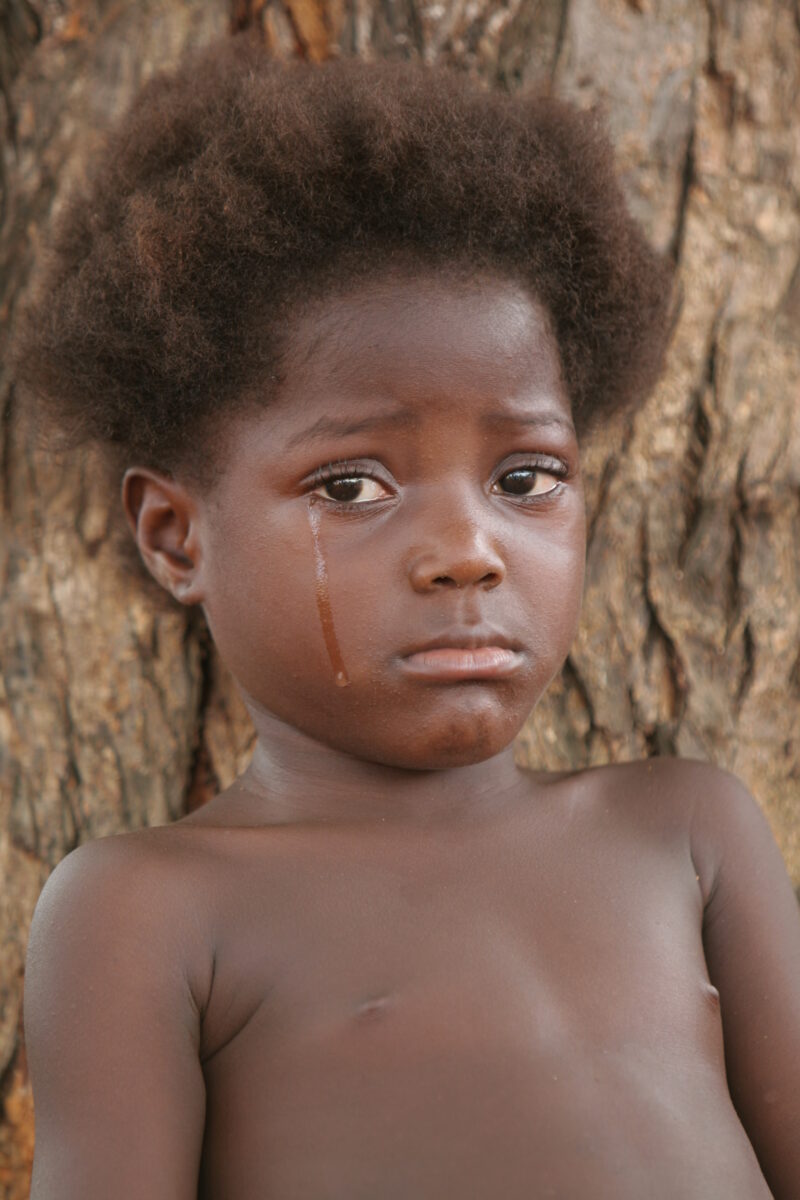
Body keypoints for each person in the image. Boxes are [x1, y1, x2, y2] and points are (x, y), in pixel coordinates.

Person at [16, 36, 800, 1200]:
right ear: (176, 536)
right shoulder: (150, 910)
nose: (467, 552)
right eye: (351, 487)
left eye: (525, 478)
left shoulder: (682, 833)